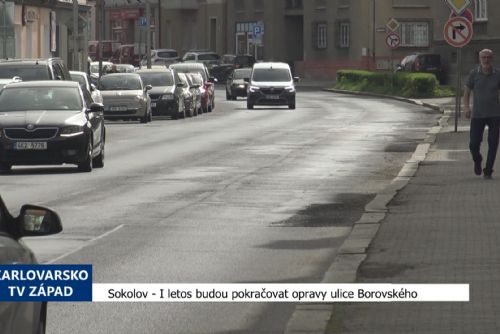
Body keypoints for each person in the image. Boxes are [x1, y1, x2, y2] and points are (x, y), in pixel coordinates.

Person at [463, 49, 500, 179]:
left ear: (492, 58)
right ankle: (477, 160)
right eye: (483, 57)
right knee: (473, 144)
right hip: (478, 114)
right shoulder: (474, 74)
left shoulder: (497, 74)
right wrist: (466, 107)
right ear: (479, 59)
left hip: (495, 114)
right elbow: (467, 92)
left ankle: (488, 170)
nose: (486, 60)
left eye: (488, 57)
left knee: (493, 142)